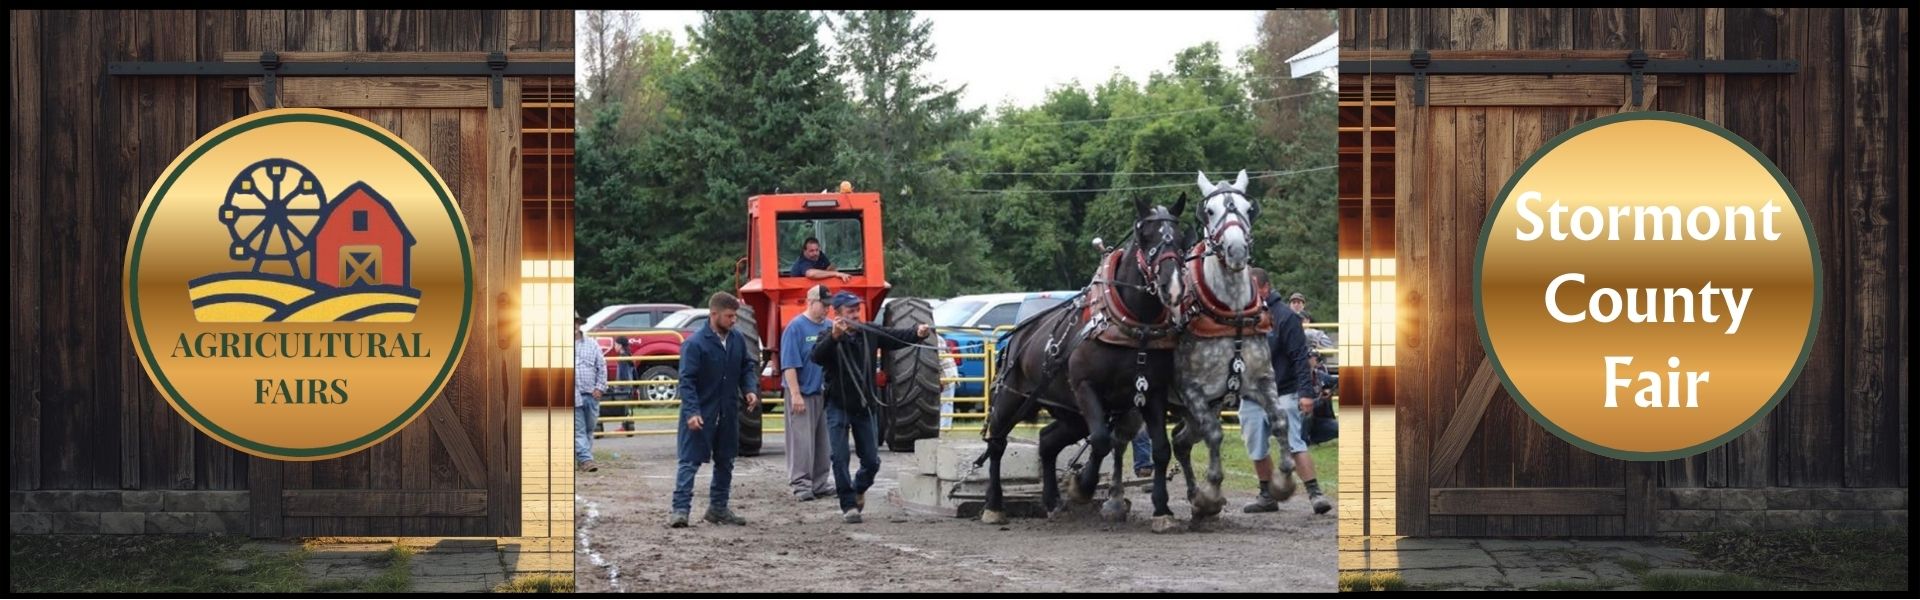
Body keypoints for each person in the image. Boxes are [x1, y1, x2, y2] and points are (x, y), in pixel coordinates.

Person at [811, 291, 930, 523]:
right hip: (838, 406)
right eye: (850, 311)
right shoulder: (827, 335)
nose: (855, 315)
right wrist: (834, 337)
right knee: (839, 457)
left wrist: (917, 333)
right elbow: (816, 357)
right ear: (838, 314)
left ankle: (858, 488)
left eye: (857, 310)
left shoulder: (869, 332)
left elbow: (896, 336)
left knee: (872, 461)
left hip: (865, 406)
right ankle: (848, 506)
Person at [1243, 270, 1333, 515]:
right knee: (1256, 446)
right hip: (1251, 393)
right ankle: (1266, 496)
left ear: (1264, 288)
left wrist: (1305, 392)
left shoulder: (1285, 317)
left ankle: (1315, 494)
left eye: (1250, 286)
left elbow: (1299, 358)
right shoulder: (1242, 315)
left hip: (1283, 390)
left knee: (1295, 443)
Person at [669, 292, 760, 528]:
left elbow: (746, 367)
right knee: (689, 462)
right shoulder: (694, 344)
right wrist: (692, 412)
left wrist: (749, 388)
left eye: (735, 316)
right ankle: (680, 510)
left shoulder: (737, 340)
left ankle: (718, 508)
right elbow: (686, 381)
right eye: (729, 316)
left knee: (726, 460)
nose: (733, 321)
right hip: (701, 412)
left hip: (728, 412)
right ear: (714, 314)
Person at [779, 285, 836, 502]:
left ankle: (820, 482)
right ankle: (801, 483)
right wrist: (795, 394)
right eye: (824, 305)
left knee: (823, 441)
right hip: (803, 392)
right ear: (811, 302)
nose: (827, 310)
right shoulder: (795, 328)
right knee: (801, 441)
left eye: (829, 305)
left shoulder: (830, 327)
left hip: (824, 393)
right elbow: (790, 365)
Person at [573, 312, 607, 473]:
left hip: (591, 394)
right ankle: (586, 460)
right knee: (578, 429)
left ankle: (582, 458)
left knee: (589, 429)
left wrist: (600, 387)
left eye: (575, 322)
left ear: (579, 324)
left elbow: (602, 366)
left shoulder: (592, 344)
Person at [604, 336, 636, 432]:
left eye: (615, 344)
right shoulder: (629, 356)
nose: (614, 346)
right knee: (626, 406)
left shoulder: (622, 358)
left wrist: (618, 385)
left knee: (621, 404)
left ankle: (624, 425)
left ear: (620, 345)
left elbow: (622, 373)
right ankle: (625, 424)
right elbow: (634, 372)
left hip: (623, 386)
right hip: (629, 386)